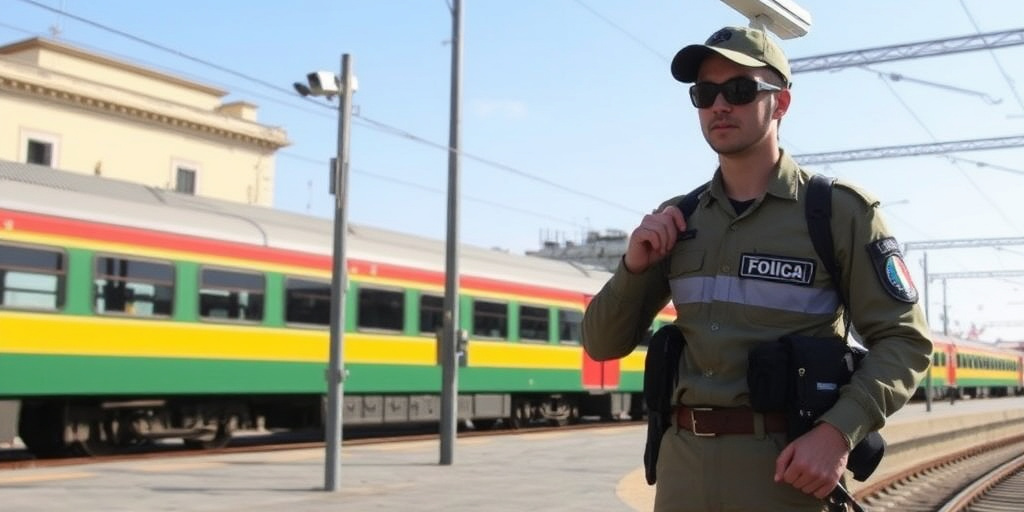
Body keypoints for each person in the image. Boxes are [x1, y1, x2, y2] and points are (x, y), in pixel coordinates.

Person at [582, 26, 933, 512]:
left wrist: (837, 434)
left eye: (741, 90)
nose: (720, 105)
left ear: (781, 104)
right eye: (705, 93)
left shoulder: (838, 213)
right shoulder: (677, 219)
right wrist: (633, 267)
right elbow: (601, 345)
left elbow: (905, 342)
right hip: (681, 476)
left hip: (785, 476)